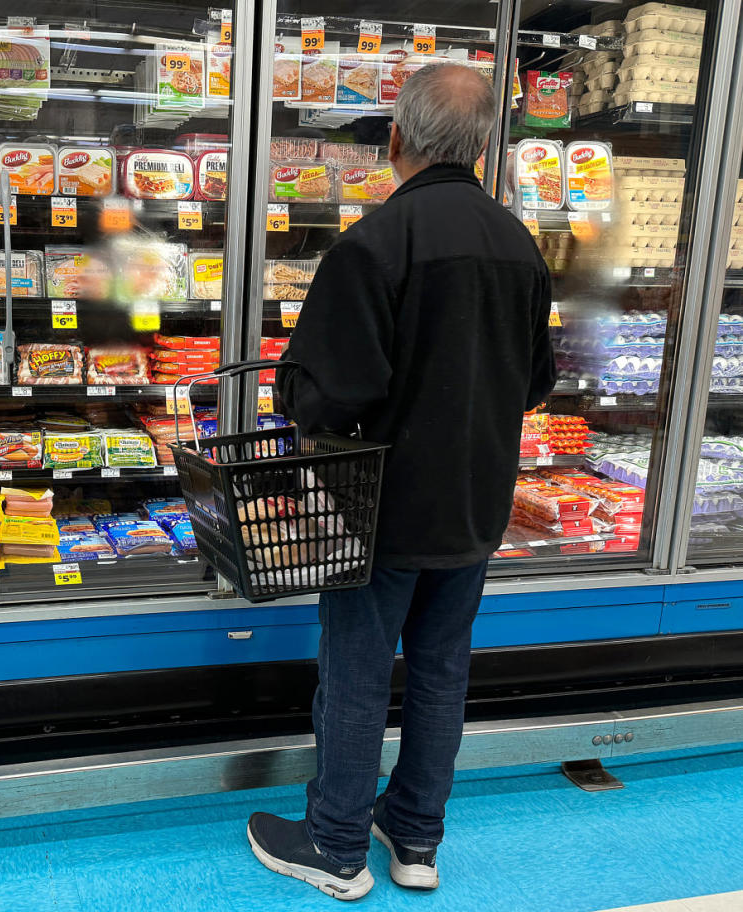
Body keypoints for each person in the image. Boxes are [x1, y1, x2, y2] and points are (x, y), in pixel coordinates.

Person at [247, 63, 556, 901]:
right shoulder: (519, 246)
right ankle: (415, 837)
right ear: (486, 145)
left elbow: (335, 393)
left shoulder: (374, 244)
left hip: (376, 506)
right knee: (441, 668)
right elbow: (535, 383)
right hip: (473, 502)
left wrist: (290, 384)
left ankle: (336, 842)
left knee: (355, 664)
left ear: (394, 140)